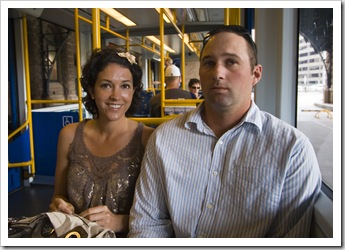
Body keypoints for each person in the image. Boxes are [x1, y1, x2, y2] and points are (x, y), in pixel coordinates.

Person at [128, 25, 322, 238]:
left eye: (231, 62)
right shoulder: (164, 138)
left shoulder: (292, 149)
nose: (217, 73)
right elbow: (147, 224)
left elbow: (288, 238)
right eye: (209, 63)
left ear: (255, 74)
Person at [49, 47, 154, 237]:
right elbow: (59, 195)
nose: (116, 95)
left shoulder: (148, 139)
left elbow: (163, 215)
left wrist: (120, 221)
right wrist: (59, 204)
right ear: (91, 90)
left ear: (134, 90)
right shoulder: (69, 135)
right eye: (106, 85)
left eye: (125, 86)